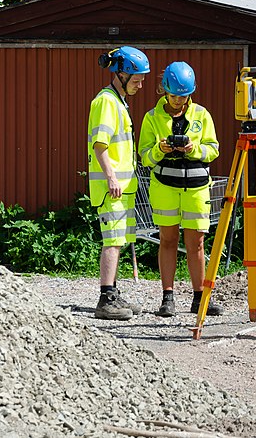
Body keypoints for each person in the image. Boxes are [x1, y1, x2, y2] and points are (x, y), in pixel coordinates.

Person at [138, 61, 225, 317]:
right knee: (167, 240)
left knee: (196, 243)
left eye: (184, 95)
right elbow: (144, 157)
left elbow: (213, 148)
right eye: (175, 95)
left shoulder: (202, 114)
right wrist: (159, 150)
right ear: (164, 90)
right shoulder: (152, 118)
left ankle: (200, 298)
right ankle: (168, 297)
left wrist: (193, 150)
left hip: (197, 187)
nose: (179, 100)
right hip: (165, 185)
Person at [87, 46, 149, 320]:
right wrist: (111, 177)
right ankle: (106, 299)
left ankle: (113, 291)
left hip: (124, 188)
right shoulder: (106, 102)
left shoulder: (119, 101)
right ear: (120, 74)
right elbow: (99, 145)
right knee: (112, 241)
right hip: (112, 188)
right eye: (136, 79)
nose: (140, 84)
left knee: (119, 240)